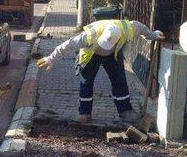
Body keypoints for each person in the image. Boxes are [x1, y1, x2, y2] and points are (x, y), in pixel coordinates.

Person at [37, 19, 165, 125]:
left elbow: (143, 29)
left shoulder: (129, 28)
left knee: (119, 80)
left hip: (113, 54)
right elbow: (67, 45)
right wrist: (51, 59)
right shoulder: (88, 36)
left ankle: (125, 111)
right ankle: (85, 113)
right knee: (86, 81)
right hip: (92, 53)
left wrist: (153, 35)